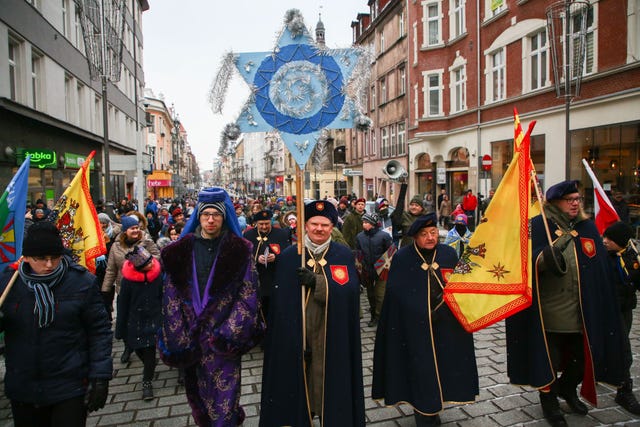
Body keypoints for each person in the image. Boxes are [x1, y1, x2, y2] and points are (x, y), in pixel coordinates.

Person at [505, 180, 626, 427]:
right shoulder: (538, 226)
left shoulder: (587, 227)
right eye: (569, 199)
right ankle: (549, 404)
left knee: (581, 360)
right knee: (548, 361)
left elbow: (599, 268)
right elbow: (519, 264)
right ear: (554, 203)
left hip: (582, 312)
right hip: (547, 313)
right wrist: (541, 259)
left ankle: (567, 389)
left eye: (577, 199)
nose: (575, 203)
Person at [158, 187, 265, 427]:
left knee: (225, 401)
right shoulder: (178, 252)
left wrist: (227, 334)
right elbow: (170, 297)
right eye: (206, 214)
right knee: (199, 399)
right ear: (198, 215)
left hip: (222, 340)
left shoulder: (240, 250)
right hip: (192, 339)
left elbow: (248, 295)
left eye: (216, 215)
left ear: (224, 216)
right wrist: (179, 337)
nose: (210, 219)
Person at [260, 200, 365, 426]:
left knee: (330, 390)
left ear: (332, 227)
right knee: (299, 392)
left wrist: (318, 282)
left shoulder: (342, 254)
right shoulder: (289, 257)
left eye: (325, 225)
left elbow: (350, 293)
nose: (319, 229)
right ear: (305, 226)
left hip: (331, 337)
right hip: (298, 339)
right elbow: (280, 305)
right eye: (314, 224)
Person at [0, 221, 112, 426]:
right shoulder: (8, 282)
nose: (49, 265)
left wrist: (100, 376)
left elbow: (99, 331)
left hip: (69, 384)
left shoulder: (81, 282)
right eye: (41, 259)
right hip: (24, 386)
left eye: (55, 257)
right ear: (25, 257)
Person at [372, 213, 478, 426]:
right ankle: (424, 411)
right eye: (424, 234)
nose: (430, 238)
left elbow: (463, 284)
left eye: (433, 233)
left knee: (443, 368)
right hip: (414, 329)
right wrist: (419, 311)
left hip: (446, 326)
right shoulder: (403, 257)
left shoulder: (448, 254)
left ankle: (434, 404)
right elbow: (396, 294)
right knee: (419, 370)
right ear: (415, 238)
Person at [101, 214, 160, 364]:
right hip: (124, 290)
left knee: (142, 322)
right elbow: (111, 270)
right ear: (125, 231)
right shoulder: (116, 246)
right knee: (125, 321)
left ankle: (148, 351)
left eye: (137, 228)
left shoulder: (146, 242)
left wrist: (140, 260)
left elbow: (157, 257)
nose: (136, 231)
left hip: (144, 289)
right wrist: (105, 290)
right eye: (132, 228)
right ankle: (128, 347)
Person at [115, 245, 162, 401]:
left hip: (154, 319)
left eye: (151, 260)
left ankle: (146, 382)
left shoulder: (158, 275)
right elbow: (122, 306)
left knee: (149, 350)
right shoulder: (128, 282)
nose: (151, 264)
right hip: (135, 321)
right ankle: (149, 365)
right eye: (147, 263)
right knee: (139, 350)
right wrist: (120, 329)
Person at [603, 221, 640, 414]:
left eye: (610, 239)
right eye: (605, 237)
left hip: (623, 310)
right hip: (604, 310)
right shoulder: (601, 257)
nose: (605, 241)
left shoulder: (631, 256)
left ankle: (624, 390)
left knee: (623, 350)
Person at [243, 209, 291, 324]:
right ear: (255, 224)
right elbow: (243, 255)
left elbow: (288, 254)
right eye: (261, 224)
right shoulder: (248, 235)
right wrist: (256, 258)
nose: (264, 227)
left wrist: (276, 257)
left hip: (275, 279)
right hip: (256, 280)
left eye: (267, 224)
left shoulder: (281, 234)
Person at [356, 212, 393, 327]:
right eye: (363, 222)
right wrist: (360, 269)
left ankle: (379, 316)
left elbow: (390, 253)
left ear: (373, 224)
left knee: (380, 296)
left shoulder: (384, 236)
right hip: (367, 271)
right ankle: (373, 315)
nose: (364, 224)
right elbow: (358, 253)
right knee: (370, 295)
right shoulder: (360, 237)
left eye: (366, 222)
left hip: (382, 271)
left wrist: (382, 268)